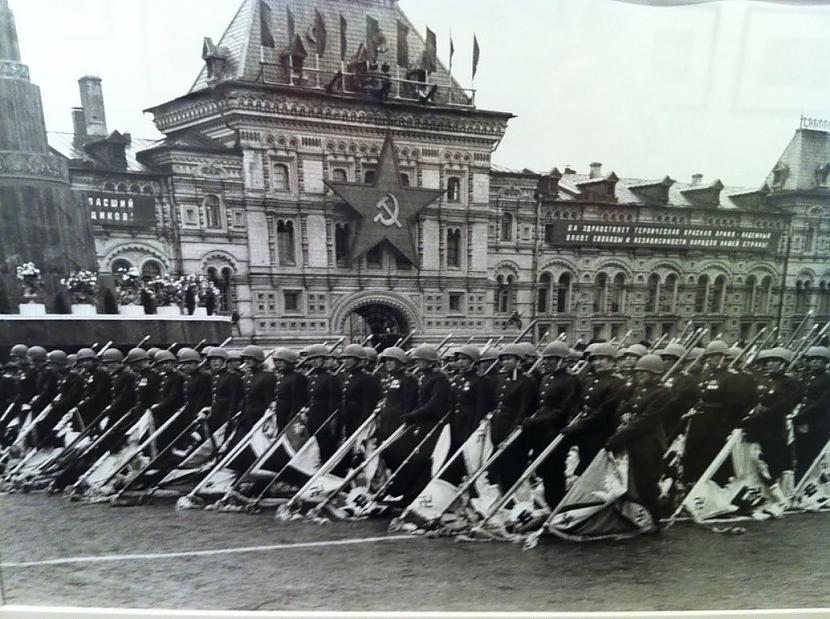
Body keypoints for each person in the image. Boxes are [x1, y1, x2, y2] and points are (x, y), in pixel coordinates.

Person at [606, 354, 673, 528]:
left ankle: (653, 521)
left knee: (647, 482)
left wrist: (618, 438)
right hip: (633, 440)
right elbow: (624, 406)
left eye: (645, 373)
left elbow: (646, 420)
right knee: (633, 481)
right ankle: (638, 517)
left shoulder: (662, 393)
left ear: (655, 374)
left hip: (649, 442)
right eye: (639, 372)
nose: (640, 375)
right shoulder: (637, 389)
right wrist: (623, 414)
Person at [682, 340, 757, 486]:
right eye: (709, 357)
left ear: (724, 357)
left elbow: (735, 405)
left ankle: (715, 487)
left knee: (713, 455)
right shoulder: (705, 375)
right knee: (695, 453)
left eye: (716, 356)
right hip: (700, 421)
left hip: (718, 422)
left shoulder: (731, 377)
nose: (712, 360)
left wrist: (725, 427)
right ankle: (694, 484)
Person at [521, 341, 582, 509]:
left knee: (554, 472)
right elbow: (542, 405)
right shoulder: (547, 378)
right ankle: (549, 505)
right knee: (544, 470)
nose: (546, 362)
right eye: (545, 359)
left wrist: (538, 421)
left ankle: (556, 506)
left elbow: (563, 410)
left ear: (562, 361)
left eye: (552, 359)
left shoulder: (570, 380)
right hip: (542, 433)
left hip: (556, 431)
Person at [740, 347, 801, 505]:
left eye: (775, 361)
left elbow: (785, 403)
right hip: (758, 426)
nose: (771, 364)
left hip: (774, 426)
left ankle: (778, 495)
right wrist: (752, 413)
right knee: (759, 460)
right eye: (769, 361)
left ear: (784, 364)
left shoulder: (790, 382)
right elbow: (755, 399)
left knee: (773, 460)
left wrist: (764, 412)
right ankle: (763, 493)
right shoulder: (764, 380)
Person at [564, 343, 625, 475]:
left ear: (611, 361)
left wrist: (579, 425)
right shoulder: (588, 380)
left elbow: (604, 411)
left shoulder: (617, 382)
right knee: (584, 463)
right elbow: (577, 402)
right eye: (594, 359)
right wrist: (573, 420)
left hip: (601, 432)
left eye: (601, 359)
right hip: (585, 431)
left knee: (594, 469)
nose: (597, 362)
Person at [489, 343, 537, 493]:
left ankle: (515, 503)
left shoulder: (526, 381)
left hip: (514, 432)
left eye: (509, 359)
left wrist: (511, 435)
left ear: (518, 360)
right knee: (499, 469)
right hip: (498, 429)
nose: (505, 362)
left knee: (513, 469)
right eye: (503, 359)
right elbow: (497, 404)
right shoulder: (502, 379)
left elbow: (524, 410)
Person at [792, 346, 830, 481]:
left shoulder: (827, 379)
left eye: (818, 359)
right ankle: (799, 484)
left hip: (818, 423)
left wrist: (799, 418)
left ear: (825, 362)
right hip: (803, 421)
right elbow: (799, 397)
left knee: (816, 457)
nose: (814, 362)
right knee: (801, 456)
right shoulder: (807, 377)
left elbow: (821, 404)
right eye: (812, 359)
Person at [304, 344, 342, 462]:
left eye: (316, 358)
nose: (314, 362)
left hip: (324, 419)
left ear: (324, 359)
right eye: (312, 359)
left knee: (326, 449)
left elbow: (334, 402)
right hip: (313, 418)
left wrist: (331, 422)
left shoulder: (331, 378)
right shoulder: (312, 377)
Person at [271, 347, 308, 431]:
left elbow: (297, 401)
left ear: (289, 362)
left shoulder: (297, 377)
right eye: (276, 361)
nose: (277, 364)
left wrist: (292, 417)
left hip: (289, 417)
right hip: (280, 415)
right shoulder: (281, 377)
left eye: (281, 361)